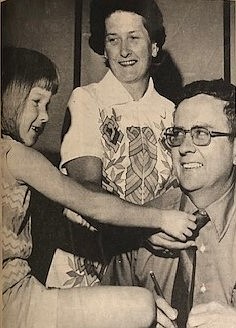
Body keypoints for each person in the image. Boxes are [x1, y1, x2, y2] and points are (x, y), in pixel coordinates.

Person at [1, 46, 196, 328]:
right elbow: (91, 202)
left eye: (48, 105)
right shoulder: (14, 155)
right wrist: (162, 218)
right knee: (144, 304)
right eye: (36, 102)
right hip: (16, 302)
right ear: (10, 96)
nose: (45, 116)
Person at [47, 0, 188, 288]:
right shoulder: (88, 99)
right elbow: (87, 190)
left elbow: (182, 190)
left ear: (154, 46)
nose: (124, 50)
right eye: (113, 39)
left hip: (154, 263)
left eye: (134, 37)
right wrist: (146, 226)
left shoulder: (173, 111)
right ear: (105, 48)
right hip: (91, 264)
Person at [102, 79, 236, 328]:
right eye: (178, 134)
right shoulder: (141, 222)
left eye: (201, 134)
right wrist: (127, 315)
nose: (184, 148)